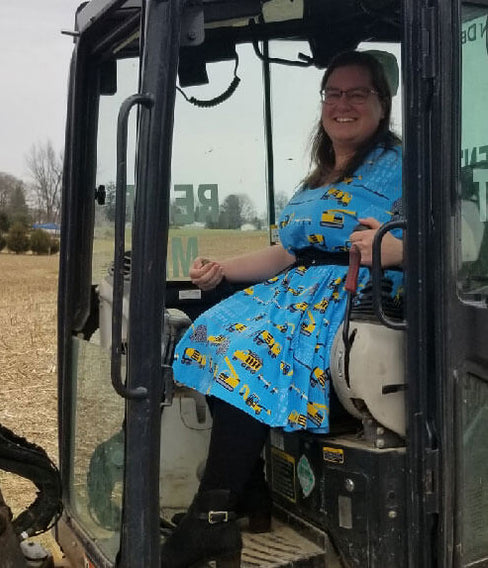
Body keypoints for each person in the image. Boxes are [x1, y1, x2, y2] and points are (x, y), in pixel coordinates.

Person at [161, 50, 404, 568]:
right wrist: (224, 268)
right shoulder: (318, 178)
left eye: (357, 93)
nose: (343, 104)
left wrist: (399, 250)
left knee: (243, 352)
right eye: (333, 93)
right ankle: (249, 491)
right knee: (209, 331)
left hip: (358, 300)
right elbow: (289, 252)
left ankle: (214, 517)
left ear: (381, 104)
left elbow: (460, 241)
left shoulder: (406, 169)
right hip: (297, 290)